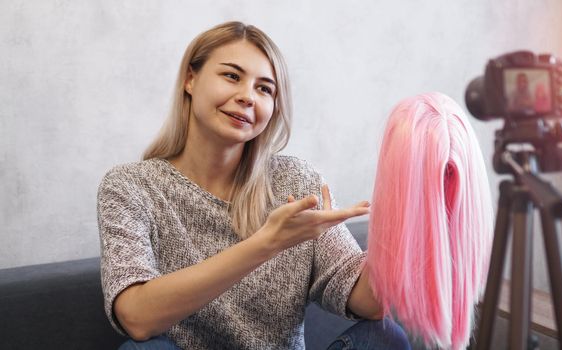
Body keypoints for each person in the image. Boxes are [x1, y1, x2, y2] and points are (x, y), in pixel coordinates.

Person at [97, 21, 411, 350]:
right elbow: (135, 317)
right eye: (232, 76)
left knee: (384, 337)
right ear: (190, 79)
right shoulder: (131, 186)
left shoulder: (297, 181)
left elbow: (370, 303)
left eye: (264, 89)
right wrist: (267, 243)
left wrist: (410, 208)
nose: (247, 97)